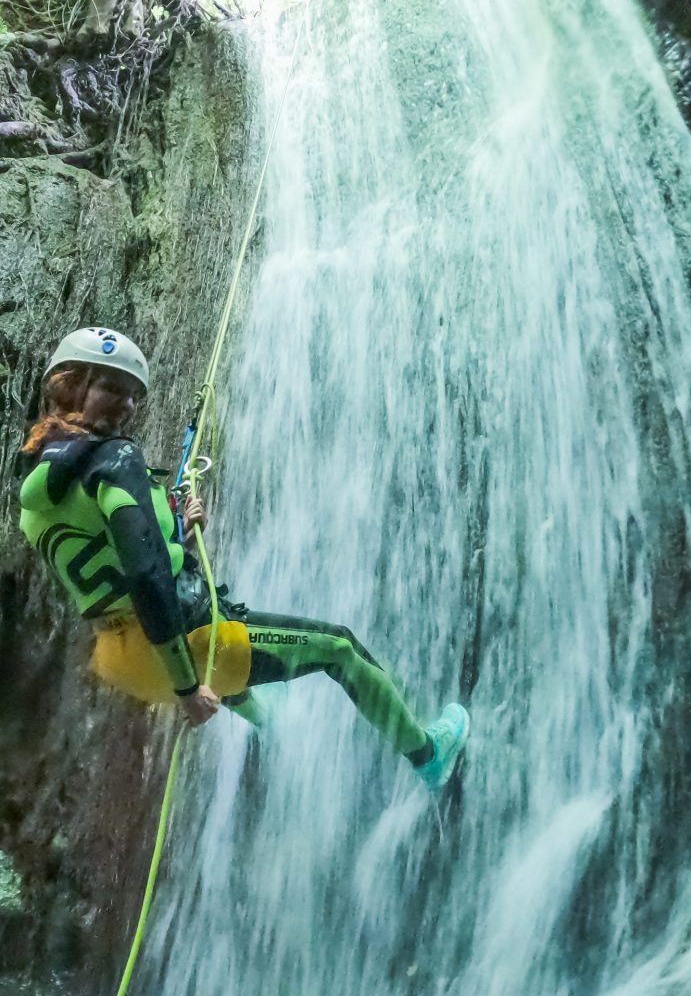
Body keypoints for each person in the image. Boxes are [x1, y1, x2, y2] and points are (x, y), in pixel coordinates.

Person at [18, 327, 470, 791]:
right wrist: (188, 689)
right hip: (187, 645)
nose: (128, 405)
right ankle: (427, 755)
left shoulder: (36, 494)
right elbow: (147, 575)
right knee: (340, 648)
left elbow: (113, 560)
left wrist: (177, 535)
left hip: (121, 662)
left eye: (134, 395)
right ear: (71, 385)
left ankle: (272, 727)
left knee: (236, 667)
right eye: (113, 388)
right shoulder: (115, 461)